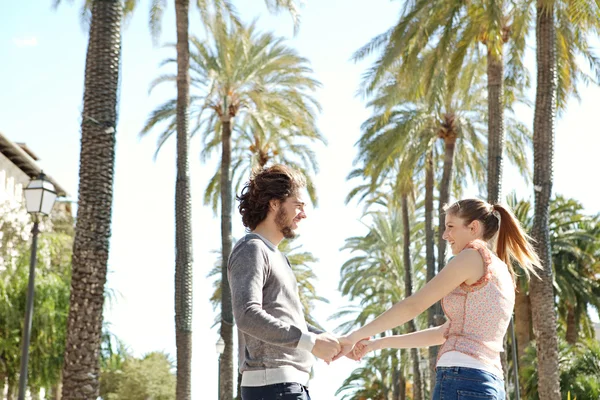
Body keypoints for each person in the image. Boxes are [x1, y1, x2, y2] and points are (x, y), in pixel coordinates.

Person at [334, 198, 541, 400]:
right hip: (490, 384)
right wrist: (377, 343)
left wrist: (354, 336)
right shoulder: (501, 269)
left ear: (473, 227)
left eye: (451, 226)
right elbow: (445, 332)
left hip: (461, 379)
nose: (445, 235)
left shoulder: (471, 256)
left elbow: (413, 305)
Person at [229, 164, 341, 400]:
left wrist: (332, 342)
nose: (303, 213)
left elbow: (291, 320)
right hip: (273, 386)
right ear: (274, 203)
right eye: (298, 205)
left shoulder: (279, 258)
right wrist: (311, 342)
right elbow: (247, 314)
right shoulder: (251, 248)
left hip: (289, 386)